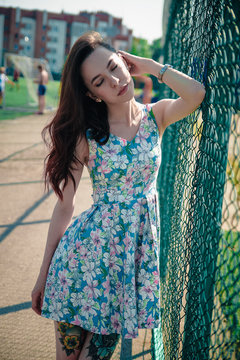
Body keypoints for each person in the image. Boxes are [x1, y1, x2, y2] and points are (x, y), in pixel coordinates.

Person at [31, 31, 205, 359]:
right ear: (93, 94)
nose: (114, 81)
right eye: (100, 81)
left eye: (114, 66)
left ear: (125, 62)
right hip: (79, 267)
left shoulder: (157, 116)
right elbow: (64, 207)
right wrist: (42, 277)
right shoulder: (88, 137)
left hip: (121, 277)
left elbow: (196, 93)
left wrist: (152, 66)